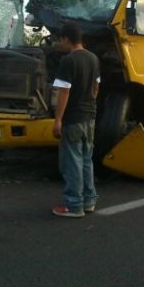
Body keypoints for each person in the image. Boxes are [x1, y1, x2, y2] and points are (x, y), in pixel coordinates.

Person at [51, 23, 100, 218]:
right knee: (87, 160)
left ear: (66, 39)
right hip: (89, 117)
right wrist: (88, 103)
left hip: (73, 118)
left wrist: (58, 120)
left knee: (72, 162)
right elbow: (96, 87)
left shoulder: (68, 61)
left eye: (61, 39)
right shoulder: (93, 58)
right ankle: (89, 201)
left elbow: (64, 92)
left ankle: (74, 205)